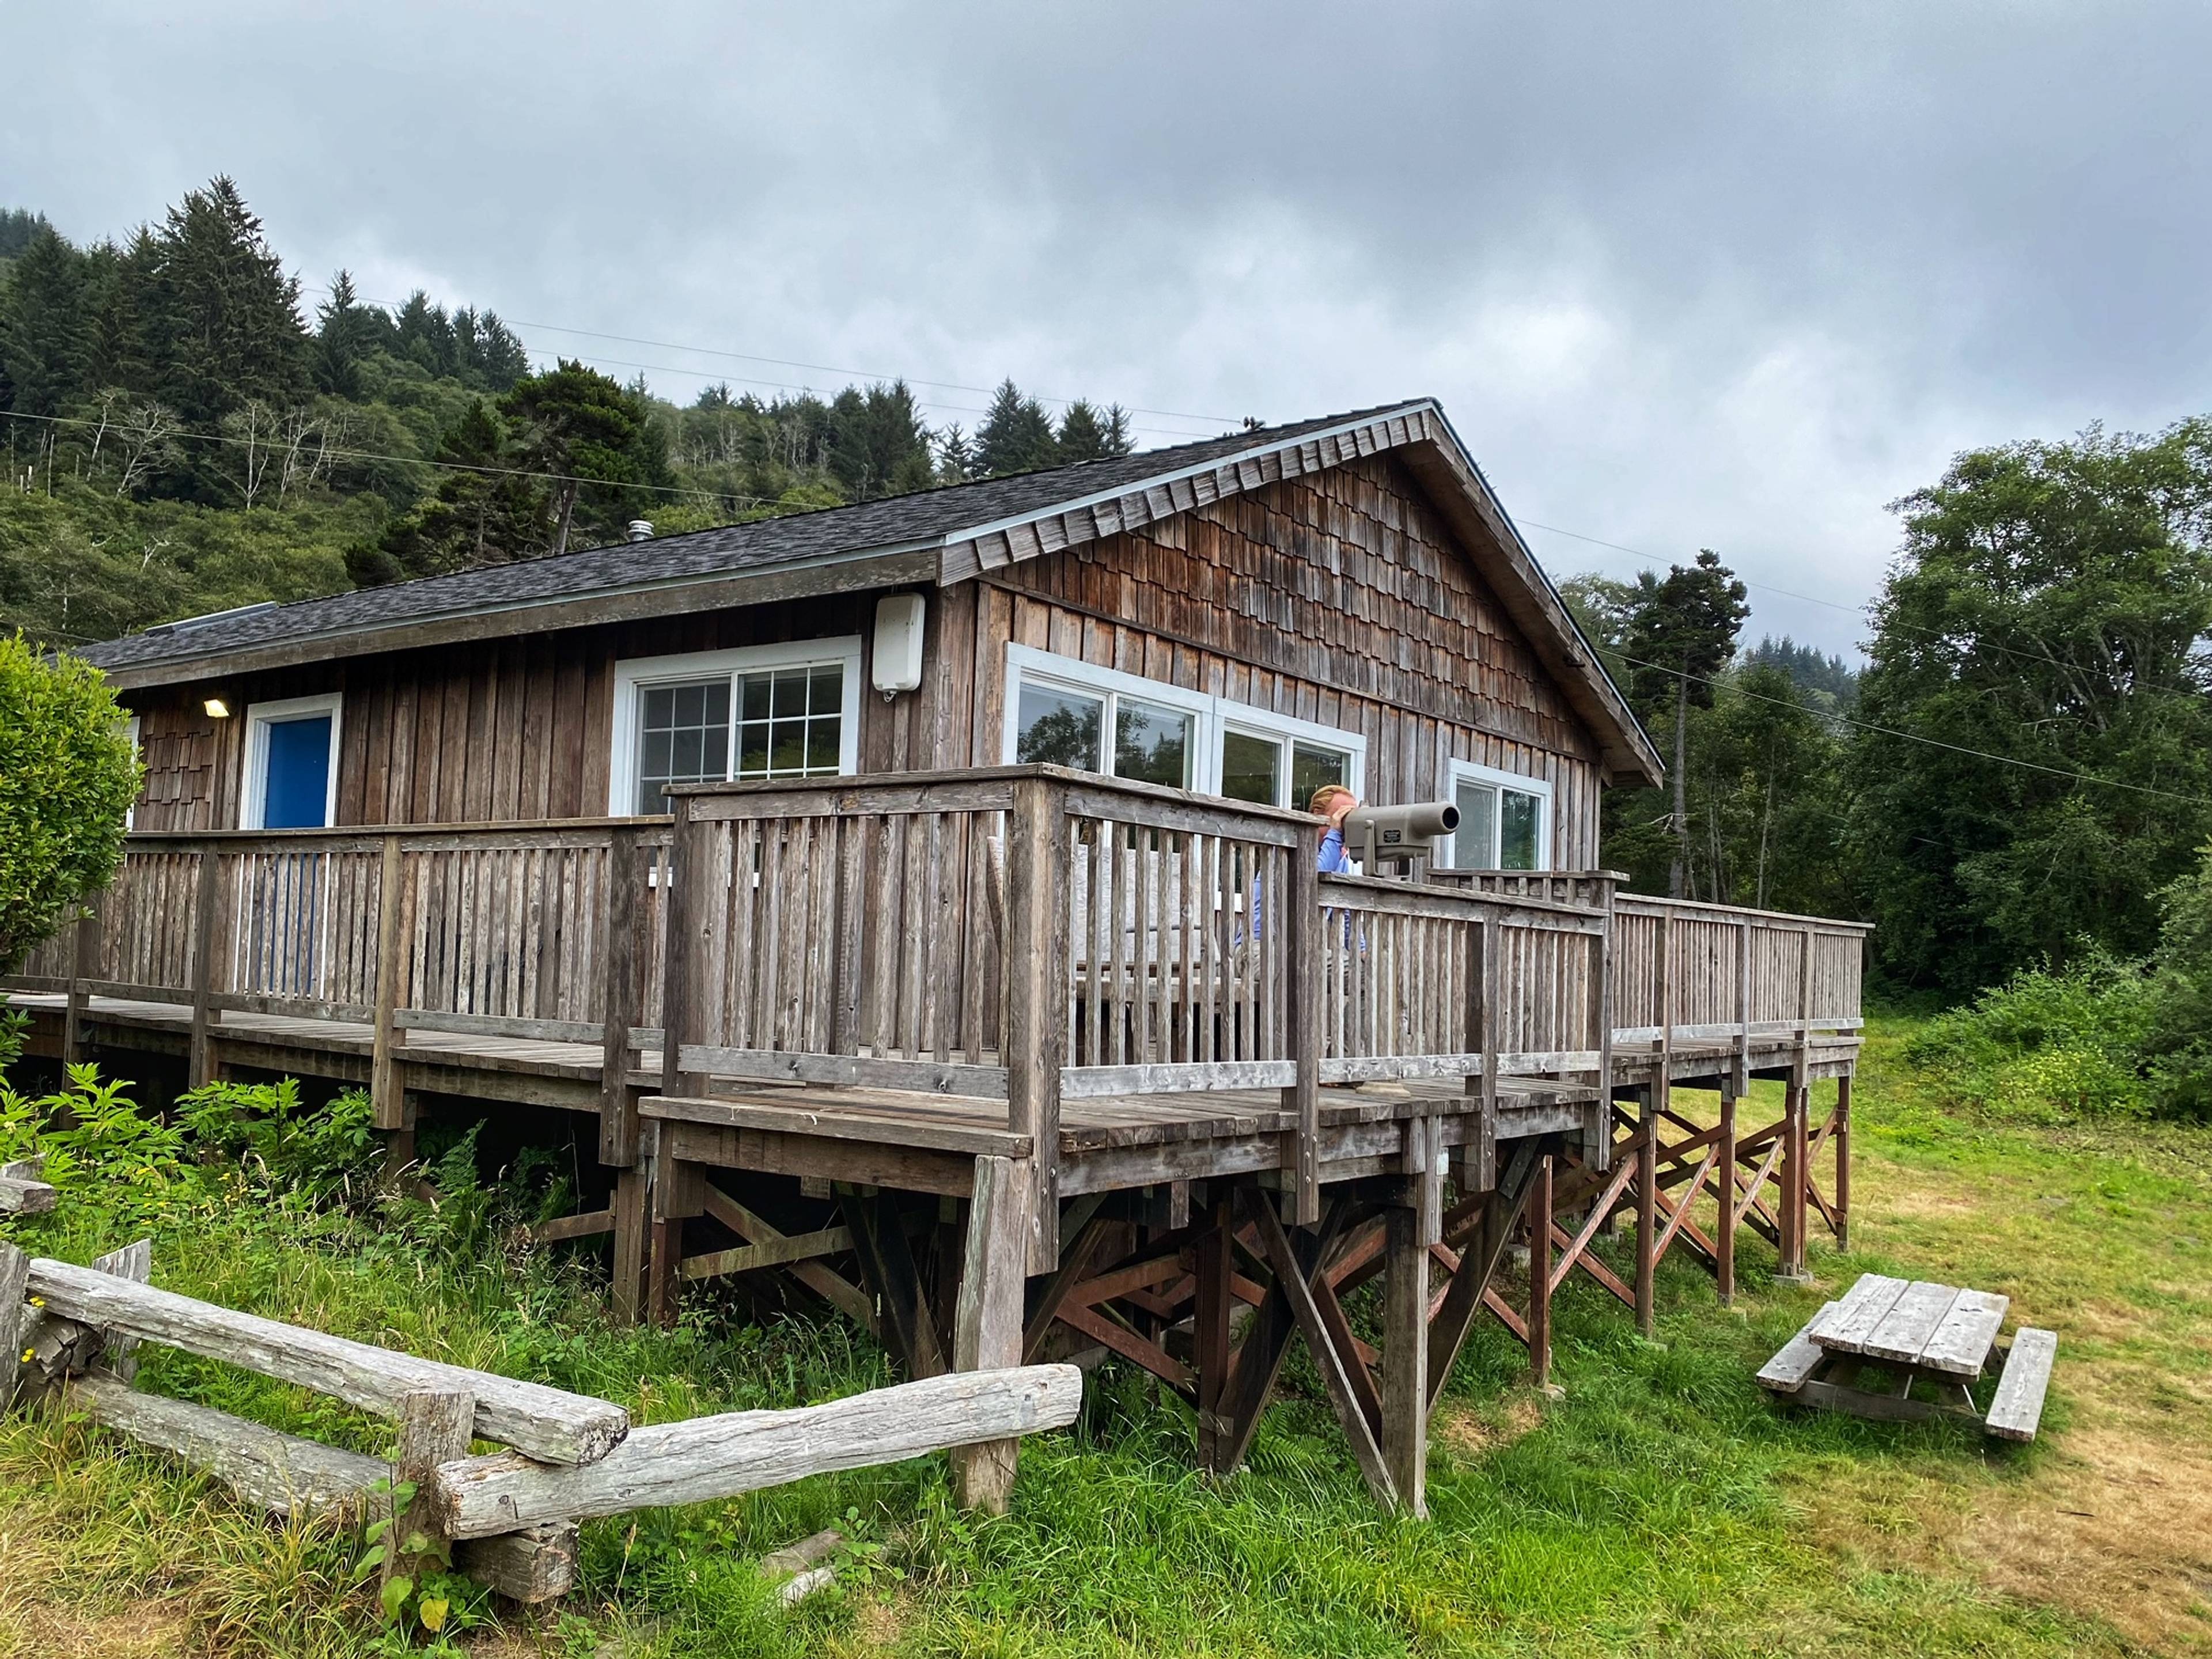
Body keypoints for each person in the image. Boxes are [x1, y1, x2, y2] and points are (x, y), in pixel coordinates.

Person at [1309, 784, 1359, 874]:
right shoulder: (1302, 845)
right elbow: (1316, 874)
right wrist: (1335, 833)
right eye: (1340, 814)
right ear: (1317, 814)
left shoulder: (1340, 853)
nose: (1344, 820)